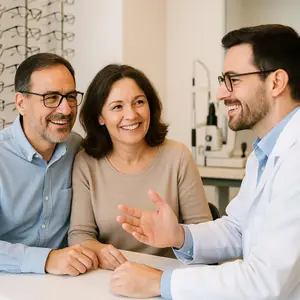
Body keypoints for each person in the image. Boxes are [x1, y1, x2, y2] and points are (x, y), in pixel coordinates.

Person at [112, 24, 300, 299]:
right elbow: (237, 228)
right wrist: (178, 235)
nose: (221, 94)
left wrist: (160, 283)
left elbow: (264, 281)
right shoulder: (266, 151)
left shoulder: (295, 158)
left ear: (276, 82)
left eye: (233, 80)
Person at [68, 64, 212, 270]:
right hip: (111, 277)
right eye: (117, 107)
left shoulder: (178, 157)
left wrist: (177, 236)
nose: (132, 115)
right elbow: (80, 234)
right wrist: (99, 251)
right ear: (100, 117)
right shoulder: (86, 163)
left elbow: (205, 236)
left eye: (139, 102)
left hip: (169, 278)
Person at [0, 53, 98, 276]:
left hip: (67, 282)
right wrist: (47, 259)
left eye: (71, 96)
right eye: (51, 97)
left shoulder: (79, 149)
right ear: (21, 103)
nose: (65, 110)